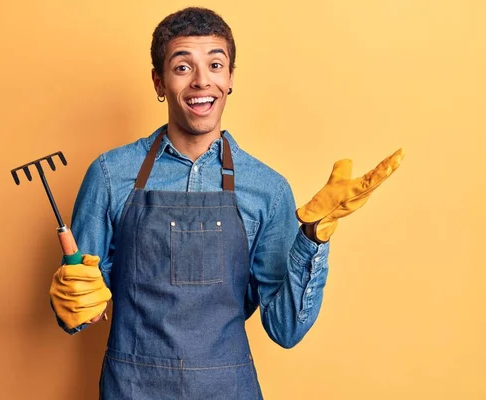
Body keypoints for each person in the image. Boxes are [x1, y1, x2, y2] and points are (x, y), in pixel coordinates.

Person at [49, 7, 403, 399]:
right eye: (183, 67)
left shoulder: (267, 189)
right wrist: (74, 302)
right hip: (132, 389)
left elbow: (285, 330)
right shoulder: (111, 175)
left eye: (215, 65)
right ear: (159, 81)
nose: (203, 81)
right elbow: (81, 310)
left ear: (230, 78)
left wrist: (312, 239)